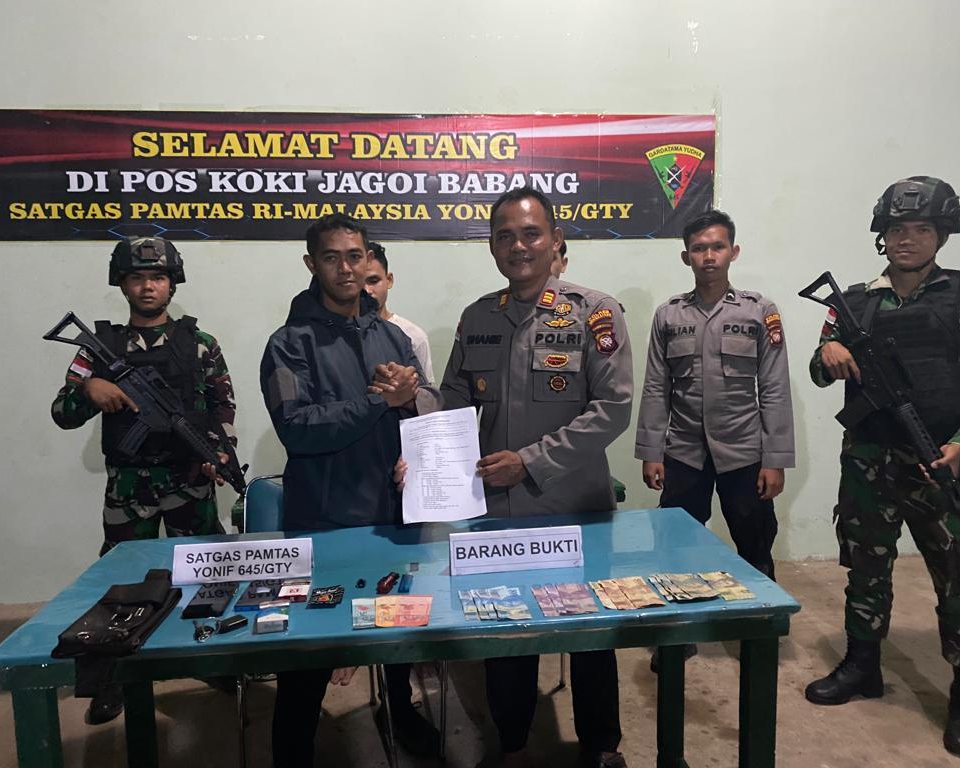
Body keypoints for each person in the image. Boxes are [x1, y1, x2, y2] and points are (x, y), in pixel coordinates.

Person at [440, 187, 632, 768]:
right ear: (492, 245)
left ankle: (601, 747)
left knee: (591, 632)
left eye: (531, 233)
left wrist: (531, 461)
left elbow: (613, 409)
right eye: (505, 235)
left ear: (555, 240)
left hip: (575, 509)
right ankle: (513, 744)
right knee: (506, 632)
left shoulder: (595, 313)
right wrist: (424, 452)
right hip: (499, 512)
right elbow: (452, 403)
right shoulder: (477, 317)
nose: (518, 246)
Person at [804, 176, 960, 757]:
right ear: (881, 236)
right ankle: (863, 666)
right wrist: (828, 352)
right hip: (868, 460)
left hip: (938, 463)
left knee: (959, 581)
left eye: (921, 229)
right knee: (866, 568)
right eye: (896, 229)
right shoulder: (853, 303)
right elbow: (818, 370)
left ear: (942, 235)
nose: (907, 239)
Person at [260, 214, 441, 767]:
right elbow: (297, 427)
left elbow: (423, 405)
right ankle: (293, 750)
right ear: (311, 263)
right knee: (309, 656)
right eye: (332, 257)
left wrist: (413, 421)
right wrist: (378, 401)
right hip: (324, 521)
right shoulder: (288, 344)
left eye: (355, 256)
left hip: (394, 516)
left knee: (399, 634)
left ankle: (400, 708)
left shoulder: (392, 336)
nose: (346, 267)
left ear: (369, 261)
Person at [51, 236, 237, 725]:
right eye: (137, 277)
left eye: (158, 277)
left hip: (189, 481)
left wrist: (219, 454)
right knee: (122, 585)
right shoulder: (100, 348)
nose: (148, 286)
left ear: (172, 284)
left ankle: (212, 660)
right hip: (129, 486)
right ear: (122, 284)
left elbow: (222, 408)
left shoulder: (199, 344)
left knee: (205, 576)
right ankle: (110, 679)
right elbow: (62, 412)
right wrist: (90, 388)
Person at [635, 209, 794, 582]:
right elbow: (656, 386)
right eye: (699, 248)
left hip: (744, 452)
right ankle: (682, 618)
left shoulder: (759, 312)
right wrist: (651, 452)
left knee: (756, 547)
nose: (708, 256)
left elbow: (774, 388)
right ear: (685, 256)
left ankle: (760, 617)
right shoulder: (669, 315)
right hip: (684, 453)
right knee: (675, 549)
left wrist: (775, 460)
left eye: (718, 247)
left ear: (733, 252)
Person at [363, 240, 435, 382]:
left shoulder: (414, 337)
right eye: (360, 282)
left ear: (389, 280)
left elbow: (425, 392)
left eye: (373, 280)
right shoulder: (341, 336)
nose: (367, 290)